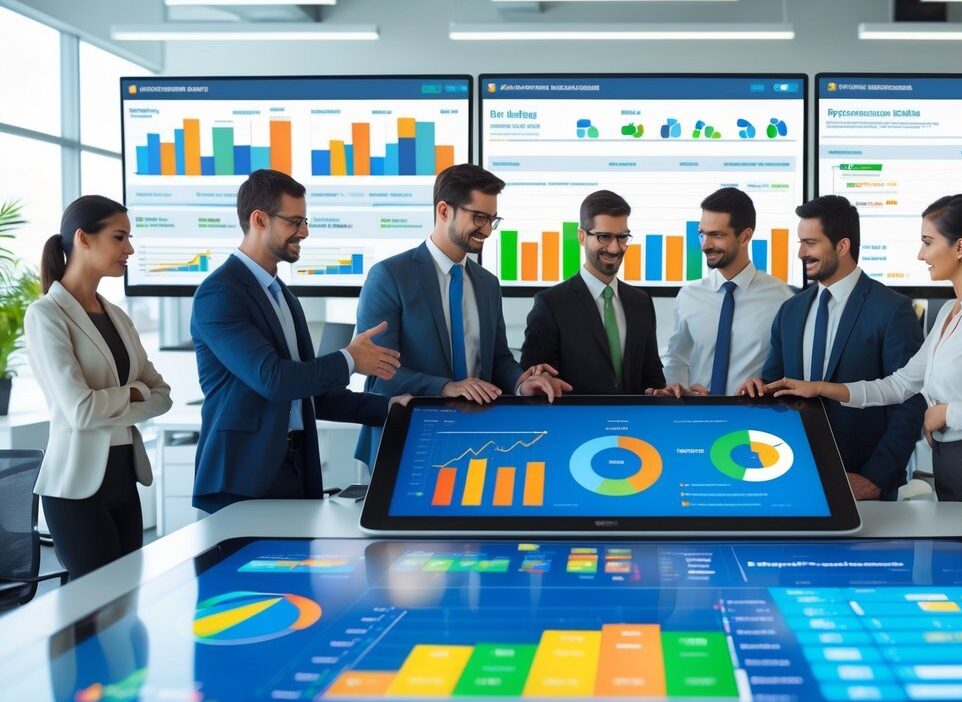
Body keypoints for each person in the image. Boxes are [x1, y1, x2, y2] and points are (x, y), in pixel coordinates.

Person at [762, 194, 962, 518]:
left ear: (959, 248)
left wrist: (946, 413)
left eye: (928, 242)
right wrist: (822, 388)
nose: (921, 254)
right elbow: (900, 384)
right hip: (949, 464)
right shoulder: (951, 310)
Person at [192, 169, 409, 512]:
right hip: (242, 480)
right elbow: (274, 380)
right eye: (294, 221)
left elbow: (313, 397)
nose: (304, 232)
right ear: (259, 219)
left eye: (304, 221)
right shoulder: (220, 293)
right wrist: (351, 359)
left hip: (295, 468)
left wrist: (393, 408)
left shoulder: (282, 296)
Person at [353, 164, 568, 465]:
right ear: (443, 211)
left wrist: (521, 382)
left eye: (493, 219)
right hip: (409, 439)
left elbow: (498, 359)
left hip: (475, 440)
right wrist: (445, 387)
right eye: (478, 217)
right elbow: (379, 373)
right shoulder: (389, 276)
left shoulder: (487, 284)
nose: (487, 229)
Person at [738, 195, 925, 501]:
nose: (801, 252)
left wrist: (875, 479)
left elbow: (911, 402)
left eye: (810, 243)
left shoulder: (892, 310)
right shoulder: (791, 310)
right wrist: (757, 389)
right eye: (800, 242)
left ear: (842, 246)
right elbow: (775, 387)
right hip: (794, 478)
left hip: (862, 484)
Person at [25, 195, 172, 579]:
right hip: (75, 488)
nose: (130, 248)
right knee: (92, 613)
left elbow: (163, 395)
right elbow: (80, 410)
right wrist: (134, 392)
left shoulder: (118, 316)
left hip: (124, 478)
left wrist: (135, 395)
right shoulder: (46, 314)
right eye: (119, 237)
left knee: (126, 606)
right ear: (84, 239)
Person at [521, 189, 669, 395]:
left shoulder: (641, 302)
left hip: (633, 425)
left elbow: (652, 378)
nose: (615, 248)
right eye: (604, 237)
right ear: (582, 236)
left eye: (622, 237)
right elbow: (535, 378)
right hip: (575, 424)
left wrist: (660, 392)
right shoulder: (551, 304)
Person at [658, 187, 793, 397]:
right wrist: (676, 389)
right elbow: (676, 357)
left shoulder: (782, 298)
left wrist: (765, 385)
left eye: (716, 235)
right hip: (696, 416)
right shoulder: (689, 295)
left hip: (752, 416)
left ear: (745, 236)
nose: (705, 245)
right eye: (702, 234)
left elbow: (789, 368)